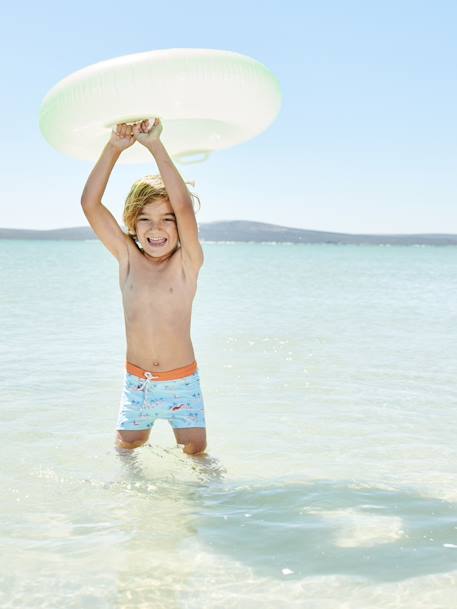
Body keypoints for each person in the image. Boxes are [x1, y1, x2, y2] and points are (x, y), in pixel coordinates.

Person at [80, 118, 207, 455]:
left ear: (180, 226)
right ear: (132, 224)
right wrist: (113, 148)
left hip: (182, 383)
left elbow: (183, 206)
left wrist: (155, 145)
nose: (157, 228)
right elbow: (90, 204)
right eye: (146, 219)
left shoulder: (187, 263)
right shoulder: (127, 259)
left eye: (167, 219)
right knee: (126, 454)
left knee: (197, 458)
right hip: (137, 386)